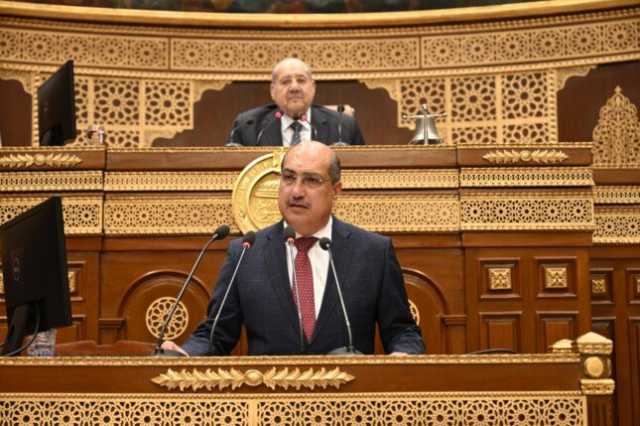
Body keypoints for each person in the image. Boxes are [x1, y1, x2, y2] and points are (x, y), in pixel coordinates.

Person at [162, 141, 423, 356]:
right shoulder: (246, 252)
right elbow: (216, 334)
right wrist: (186, 354)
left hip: (349, 398)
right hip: (267, 397)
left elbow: (402, 331)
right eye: (288, 178)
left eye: (311, 180)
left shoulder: (373, 252)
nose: (296, 191)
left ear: (336, 190)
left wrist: (404, 355)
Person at [225, 58, 366, 146]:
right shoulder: (248, 126)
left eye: (301, 80)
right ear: (273, 91)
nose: (294, 88)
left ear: (313, 87)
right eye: (285, 81)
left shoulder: (342, 126)